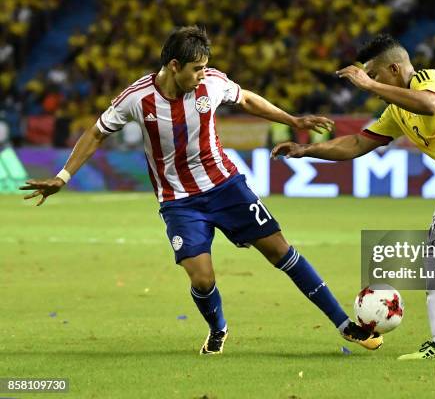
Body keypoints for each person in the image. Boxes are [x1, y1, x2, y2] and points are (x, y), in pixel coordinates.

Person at [20, 26, 382, 355]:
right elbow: (97, 131)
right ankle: (218, 327)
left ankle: (344, 324)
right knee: (202, 277)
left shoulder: (211, 84)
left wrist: (292, 120)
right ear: (174, 66)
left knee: (281, 252)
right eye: (197, 68)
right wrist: (63, 176)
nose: (203, 74)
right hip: (179, 201)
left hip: (225, 185)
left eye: (206, 67)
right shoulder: (137, 98)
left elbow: (247, 99)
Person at [272, 34, 435, 360]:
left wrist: (369, 86)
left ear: (394, 69)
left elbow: (430, 103)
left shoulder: (430, 80)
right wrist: (305, 150)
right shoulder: (397, 113)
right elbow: (357, 144)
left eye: (376, 74)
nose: (371, 83)